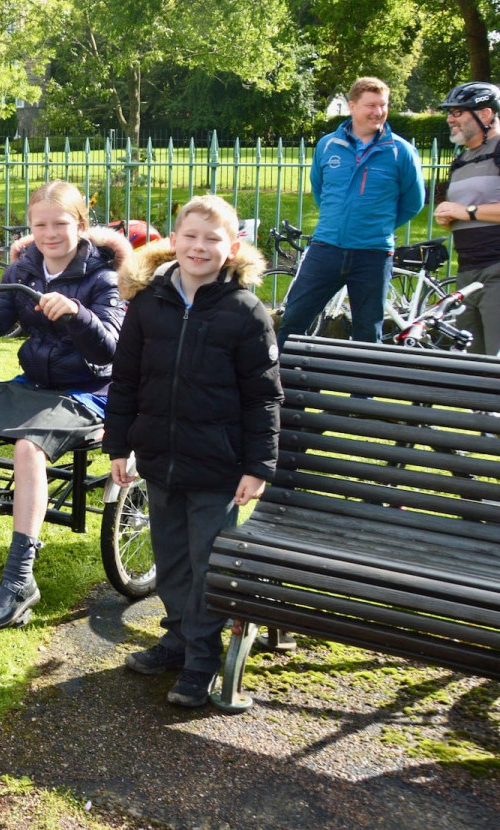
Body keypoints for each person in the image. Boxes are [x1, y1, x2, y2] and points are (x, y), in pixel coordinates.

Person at [0, 182, 128, 629]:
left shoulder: (105, 278)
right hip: (35, 383)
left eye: (61, 223)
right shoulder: (25, 270)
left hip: (88, 390)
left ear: (81, 225)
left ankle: (19, 578)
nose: (50, 233)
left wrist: (77, 313)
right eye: (40, 225)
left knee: (26, 448)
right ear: (30, 227)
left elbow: (112, 348)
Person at [105, 195, 282, 708]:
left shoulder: (245, 312)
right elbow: (126, 381)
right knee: (173, 559)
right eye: (191, 236)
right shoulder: (147, 304)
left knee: (208, 563)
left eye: (212, 239)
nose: (199, 247)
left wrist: (257, 466)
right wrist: (119, 443)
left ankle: (202, 658)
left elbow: (263, 396)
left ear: (232, 248)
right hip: (160, 460)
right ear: (173, 241)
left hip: (218, 467)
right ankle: (180, 637)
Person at [277, 77, 424, 342]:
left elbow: (413, 203)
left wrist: (377, 226)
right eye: (371, 105)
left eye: (383, 105)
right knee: (294, 319)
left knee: (368, 334)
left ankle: (362, 384)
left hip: (373, 254)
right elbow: (320, 191)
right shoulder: (327, 145)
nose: (378, 112)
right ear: (353, 106)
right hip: (326, 249)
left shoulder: (401, 151)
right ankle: (289, 382)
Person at [431, 82, 500, 355]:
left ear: (485, 114)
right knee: (472, 367)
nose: (450, 119)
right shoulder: (462, 159)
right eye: (450, 113)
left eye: (457, 112)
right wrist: (450, 216)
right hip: (467, 272)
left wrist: (468, 212)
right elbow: (470, 209)